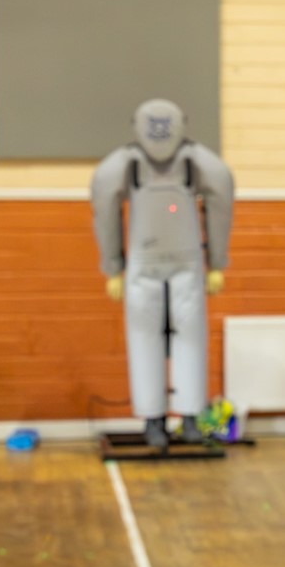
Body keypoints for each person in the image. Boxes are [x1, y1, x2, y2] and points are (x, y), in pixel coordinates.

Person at [90, 99, 235, 450]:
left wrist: (216, 262)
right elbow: (105, 209)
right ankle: (157, 419)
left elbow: (220, 204)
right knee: (160, 338)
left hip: (175, 264)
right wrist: (113, 266)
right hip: (158, 264)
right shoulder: (128, 165)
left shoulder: (190, 163)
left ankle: (182, 419)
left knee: (178, 339)